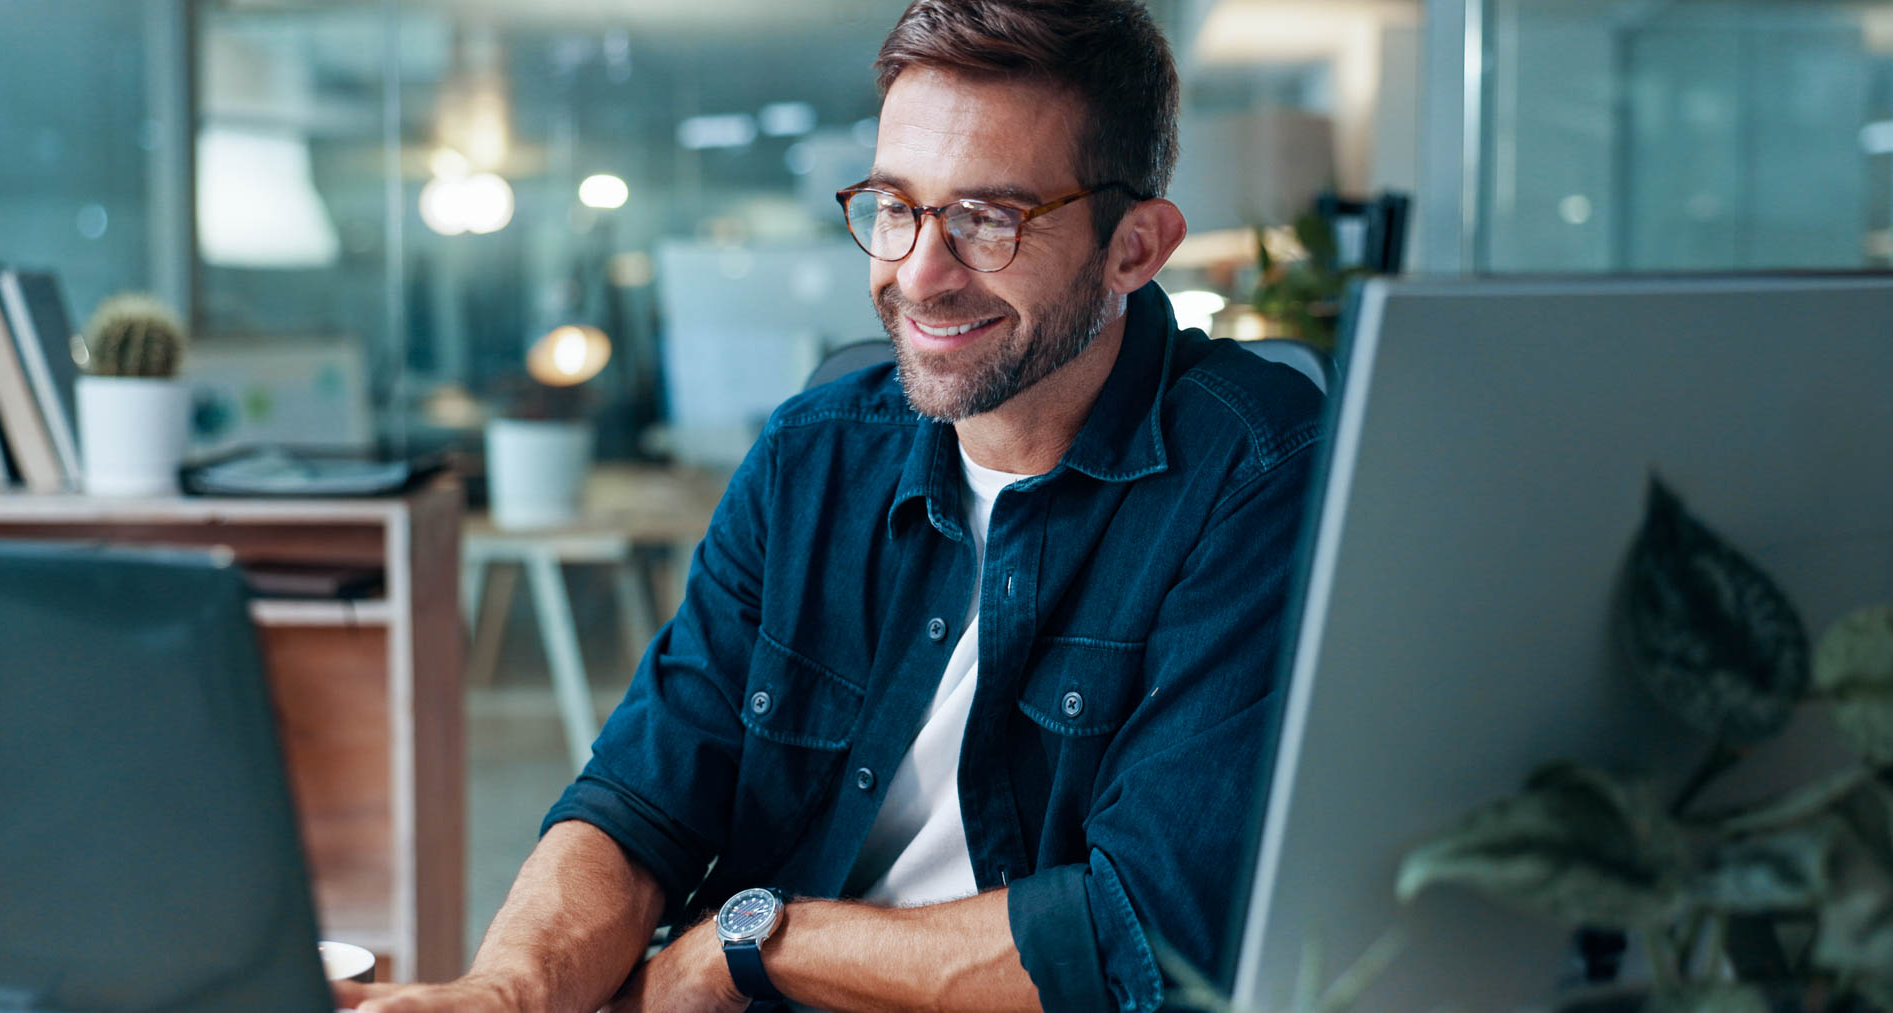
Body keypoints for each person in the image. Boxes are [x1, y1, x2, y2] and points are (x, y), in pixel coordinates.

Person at [338, 1, 1322, 1011]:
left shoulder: (1260, 470)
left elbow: (1140, 930)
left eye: (989, 219)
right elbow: (639, 797)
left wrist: (748, 947)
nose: (919, 275)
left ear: (1136, 248)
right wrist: (507, 991)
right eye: (896, 207)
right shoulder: (813, 453)